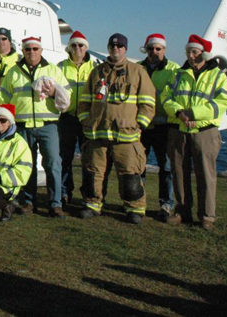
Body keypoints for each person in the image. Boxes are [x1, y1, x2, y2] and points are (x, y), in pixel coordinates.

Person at [78, 33, 155, 224]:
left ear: (125, 49)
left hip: (126, 136)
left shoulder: (138, 72)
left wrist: (140, 125)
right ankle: (92, 205)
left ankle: (134, 208)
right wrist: (86, 121)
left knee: (130, 174)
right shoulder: (97, 72)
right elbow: (84, 101)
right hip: (98, 133)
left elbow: (148, 103)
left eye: (120, 46)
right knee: (93, 172)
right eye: (113, 46)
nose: (116, 49)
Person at [161, 35, 227, 231]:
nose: (190, 56)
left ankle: (207, 216)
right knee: (179, 173)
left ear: (204, 54)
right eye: (188, 52)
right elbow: (166, 96)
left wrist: (192, 114)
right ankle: (183, 211)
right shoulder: (179, 74)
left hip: (204, 132)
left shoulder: (218, 76)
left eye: (194, 52)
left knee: (205, 174)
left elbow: (221, 103)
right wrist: (177, 112)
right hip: (179, 131)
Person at [0, 36, 70, 218]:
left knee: (53, 163)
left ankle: (56, 203)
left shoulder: (53, 70)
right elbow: (2, 100)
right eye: (28, 49)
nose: (31, 52)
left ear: (41, 51)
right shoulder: (13, 72)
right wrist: (6, 124)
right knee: (26, 165)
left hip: (48, 126)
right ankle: (28, 201)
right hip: (22, 126)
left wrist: (54, 93)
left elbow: (67, 97)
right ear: (23, 51)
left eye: (35, 49)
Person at [137, 33, 180, 222]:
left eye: (158, 49)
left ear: (164, 50)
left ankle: (166, 204)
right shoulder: (138, 68)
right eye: (150, 49)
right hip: (142, 127)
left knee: (167, 167)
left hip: (164, 127)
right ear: (145, 50)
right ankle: (138, 201)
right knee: (138, 166)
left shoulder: (174, 69)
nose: (154, 52)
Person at [57, 30, 101, 207]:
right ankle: (64, 192)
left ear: (86, 48)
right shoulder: (59, 67)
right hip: (66, 118)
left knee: (88, 159)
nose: (77, 48)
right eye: (74, 45)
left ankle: (87, 195)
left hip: (87, 119)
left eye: (81, 45)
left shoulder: (95, 68)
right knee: (65, 158)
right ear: (69, 47)